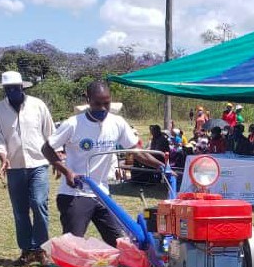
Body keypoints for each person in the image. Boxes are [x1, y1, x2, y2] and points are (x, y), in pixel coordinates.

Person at [43, 81, 164, 247]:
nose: (102, 108)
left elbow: (137, 152)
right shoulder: (73, 124)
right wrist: (67, 172)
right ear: (88, 100)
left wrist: (161, 166)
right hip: (76, 194)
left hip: (102, 194)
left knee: (120, 243)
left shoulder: (117, 123)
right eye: (97, 104)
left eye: (106, 103)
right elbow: (47, 148)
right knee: (72, 245)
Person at [0, 71, 54, 266]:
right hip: (14, 166)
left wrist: (58, 158)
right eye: (8, 89)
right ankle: (27, 250)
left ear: (22, 87)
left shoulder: (38, 106)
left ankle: (41, 249)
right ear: (4, 90)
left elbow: (51, 134)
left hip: (39, 163)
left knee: (39, 203)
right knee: (20, 211)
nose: (12, 91)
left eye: (15, 88)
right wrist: (3, 158)